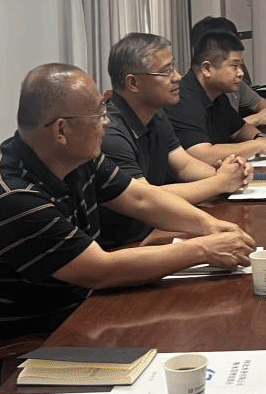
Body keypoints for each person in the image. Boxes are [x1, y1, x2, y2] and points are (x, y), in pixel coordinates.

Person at [0, 64, 256, 394]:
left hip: (64, 322)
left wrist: (209, 226)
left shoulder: (74, 157)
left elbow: (141, 198)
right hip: (0, 364)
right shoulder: (12, 196)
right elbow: (100, 271)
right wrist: (202, 250)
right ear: (62, 130)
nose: (107, 122)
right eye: (98, 114)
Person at [98, 32, 253, 249]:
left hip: (156, 229)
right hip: (123, 246)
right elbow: (144, 199)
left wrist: (232, 173)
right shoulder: (110, 133)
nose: (178, 77)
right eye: (166, 71)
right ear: (133, 82)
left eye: (175, 67)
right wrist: (220, 182)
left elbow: (184, 165)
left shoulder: (156, 114)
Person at [167, 30, 266, 165]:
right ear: (207, 69)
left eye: (241, 66)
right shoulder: (181, 99)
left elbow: (240, 129)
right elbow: (203, 154)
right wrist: (257, 146)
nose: (241, 73)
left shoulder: (217, 95)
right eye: (234, 66)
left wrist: (260, 137)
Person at [190, 16, 266, 129]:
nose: (240, 73)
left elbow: (259, 104)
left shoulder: (232, 81)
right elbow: (215, 132)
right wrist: (258, 119)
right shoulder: (192, 93)